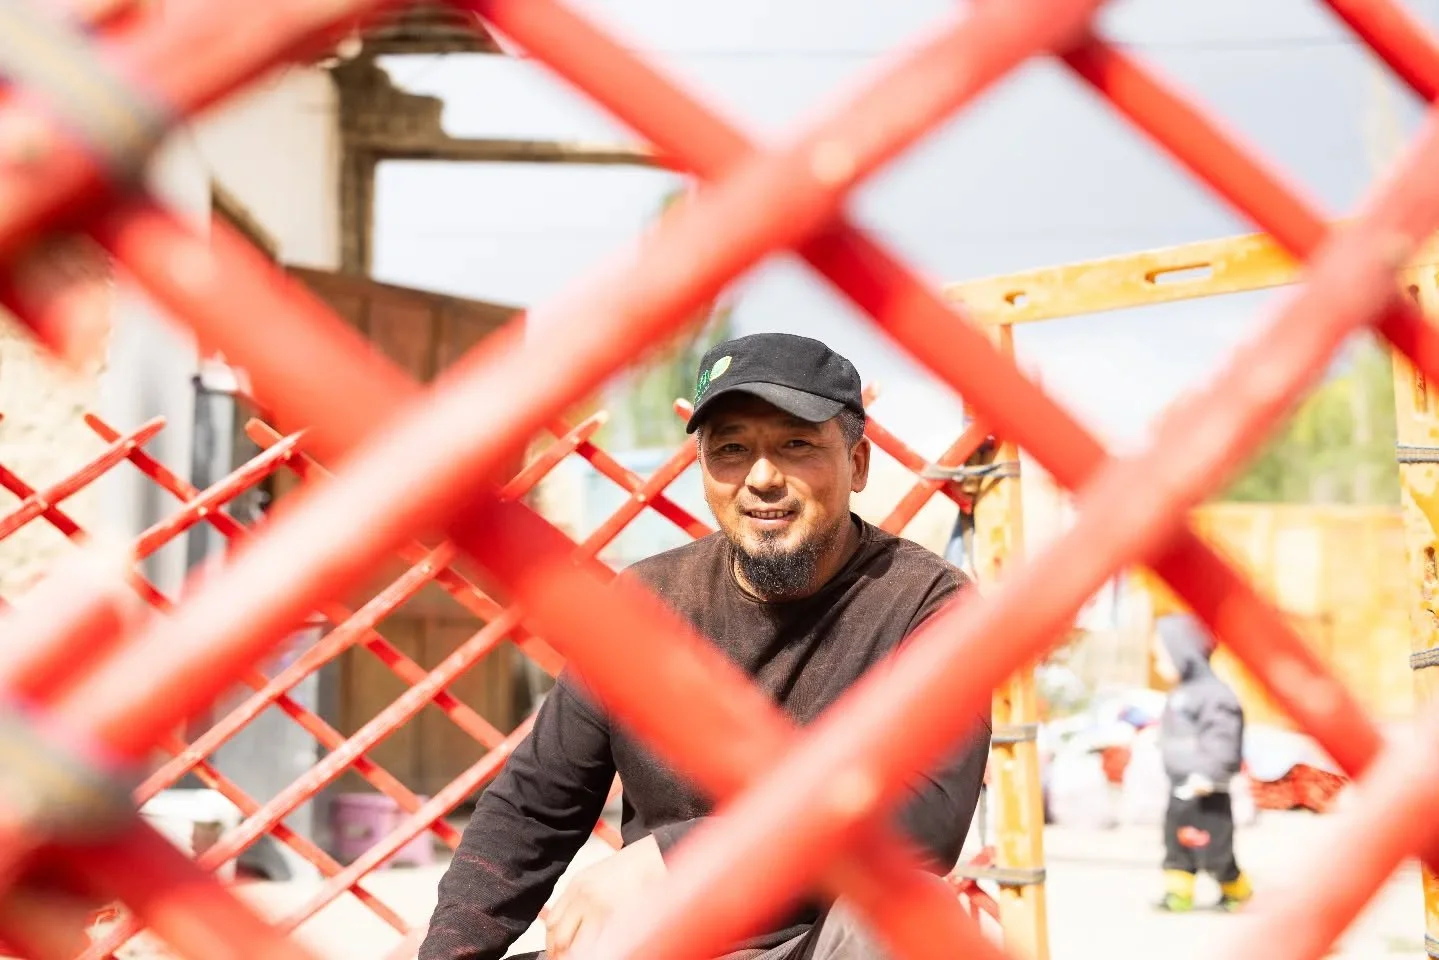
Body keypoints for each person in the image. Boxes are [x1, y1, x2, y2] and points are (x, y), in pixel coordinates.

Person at [419, 332, 991, 960]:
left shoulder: (925, 604)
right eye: (732, 449)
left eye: (796, 444)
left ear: (856, 464)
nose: (762, 478)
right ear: (703, 469)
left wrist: (678, 859)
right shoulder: (646, 603)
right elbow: (534, 809)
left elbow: (922, 825)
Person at [1151, 613, 1254, 913]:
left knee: (1215, 847)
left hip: (1207, 790)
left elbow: (1223, 740)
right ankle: (1178, 892)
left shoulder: (1215, 696)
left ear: (1185, 654)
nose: (1158, 664)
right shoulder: (1181, 694)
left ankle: (1237, 890)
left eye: (1162, 657)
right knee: (1175, 842)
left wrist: (1210, 774)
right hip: (1181, 786)